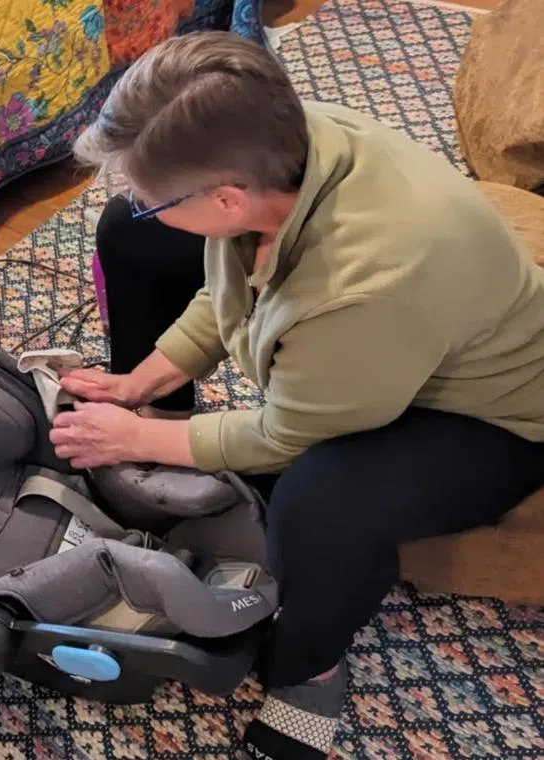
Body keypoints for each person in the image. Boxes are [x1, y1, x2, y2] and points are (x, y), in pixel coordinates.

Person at [51, 30, 544, 760]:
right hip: (385, 353)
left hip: (492, 417)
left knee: (319, 500)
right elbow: (230, 280)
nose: (142, 200)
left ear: (225, 198)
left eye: (155, 195)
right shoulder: (277, 141)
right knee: (132, 234)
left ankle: (312, 666)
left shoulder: (369, 285)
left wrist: (133, 439)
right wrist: (142, 385)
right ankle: (160, 446)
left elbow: (288, 434)